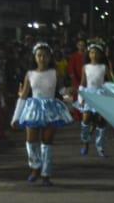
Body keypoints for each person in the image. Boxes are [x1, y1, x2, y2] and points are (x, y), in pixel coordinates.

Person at [14, 42, 74, 186]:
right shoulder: (30, 74)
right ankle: (35, 168)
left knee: (47, 143)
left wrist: (70, 99)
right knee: (31, 141)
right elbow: (24, 95)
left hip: (50, 109)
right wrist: (16, 117)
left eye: (45, 56)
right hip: (33, 109)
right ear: (34, 57)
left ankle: (46, 174)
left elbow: (61, 91)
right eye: (39, 55)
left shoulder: (55, 73)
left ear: (49, 57)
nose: (42, 58)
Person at [77, 43, 114, 159]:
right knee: (86, 119)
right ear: (89, 54)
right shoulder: (86, 67)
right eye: (91, 52)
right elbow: (83, 83)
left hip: (100, 95)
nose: (93, 55)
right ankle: (85, 142)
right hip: (89, 95)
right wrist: (81, 97)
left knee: (101, 122)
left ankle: (100, 147)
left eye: (96, 52)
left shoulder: (104, 67)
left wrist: (111, 93)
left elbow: (109, 81)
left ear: (100, 54)